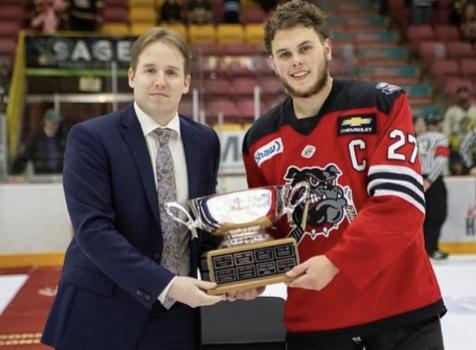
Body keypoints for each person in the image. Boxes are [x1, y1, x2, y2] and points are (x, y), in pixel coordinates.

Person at [242, 1, 446, 349]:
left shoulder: (382, 105)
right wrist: (253, 270)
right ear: (273, 63)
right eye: (285, 53)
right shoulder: (259, 139)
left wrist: (338, 262)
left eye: (305, 48)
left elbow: (401, 205)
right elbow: (272, 228)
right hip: (316, 324)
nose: (297, 61)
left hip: (401, 312)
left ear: (326, 47)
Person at [41, 27, 227, 350]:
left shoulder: (205, 141)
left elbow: (203, 225)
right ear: (131, 76)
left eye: (171, 72)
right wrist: (166, 284)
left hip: (179, 316)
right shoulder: (91, 139)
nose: (160, 80)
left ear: (186, 82)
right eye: (150, 70)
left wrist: (237, 269)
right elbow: (94, 232)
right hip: (103, 313)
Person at [417, 113, 450, 261]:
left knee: (423, 216)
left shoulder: (418, 139)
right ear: (438, 123)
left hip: (418, 179)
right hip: (433, 180)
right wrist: (430, 180)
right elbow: (441, 161)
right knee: (437, 215)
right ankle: (431, 249)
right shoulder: (440, 138)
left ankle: (423, 249)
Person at [12, 108, 66, 175]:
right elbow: (23, 158)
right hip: (41, 177)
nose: (56, 125)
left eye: (57, 123)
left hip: (59, 176)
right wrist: (15, 174)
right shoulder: (36, 139)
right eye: (53, 122)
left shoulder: (62, 139)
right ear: (46, 121)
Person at [443, 85, 476, 174]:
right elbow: (446, 131)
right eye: (461, 93)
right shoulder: (451, 112)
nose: (463, 95)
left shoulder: (474, 110)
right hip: (457, 148)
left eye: (465, 92)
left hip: (473, 149)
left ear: (469, 95)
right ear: (457, 95)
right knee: (458, 170)